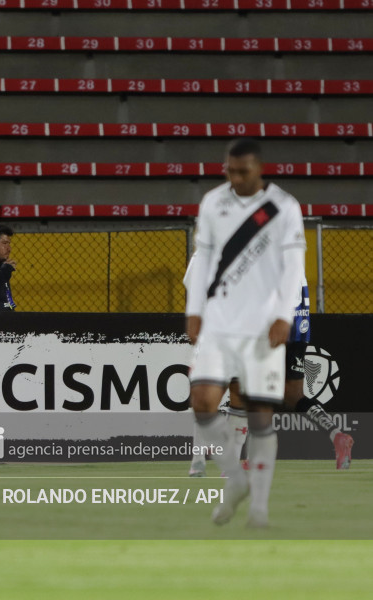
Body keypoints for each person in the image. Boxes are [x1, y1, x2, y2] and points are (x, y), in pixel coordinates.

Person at [186, 138, 306, 528]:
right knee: (203, 401)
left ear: (259, 169)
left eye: (243, 171)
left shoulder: (284, 208)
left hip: (260, 325)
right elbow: (202, 256)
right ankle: (235, 480)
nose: (235, 178)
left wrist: (284, 316)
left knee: (259, 415)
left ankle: (259, 508)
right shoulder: (212, 203)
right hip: (220, 320)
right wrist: (194, 311)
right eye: (230, 171)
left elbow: (293, 267)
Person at [188, 276, 354, 476]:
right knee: (293, 394)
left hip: (274, 324)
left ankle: (246, 460)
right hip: (300, 326)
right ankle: (336, 435)